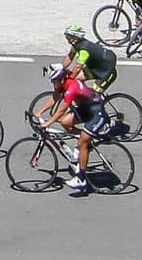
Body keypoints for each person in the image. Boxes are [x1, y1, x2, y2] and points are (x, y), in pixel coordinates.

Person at [34, 61, 108, 193]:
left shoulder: (72, 87)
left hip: (96, 112)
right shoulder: (63, 82)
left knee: (82, 142)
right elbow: (55, 97)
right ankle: (86, 142)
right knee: (65, 123)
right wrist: (40, 111)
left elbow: (60, 110)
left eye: (54, 81)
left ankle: (81, 179)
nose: (53, 84)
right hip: (86, 109)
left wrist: (47, 123)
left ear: (61, 78)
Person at [59, 25, 118, 93]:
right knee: (76, 80)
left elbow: (78, 67)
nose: (67, 38)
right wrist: (60, 68)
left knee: (94, 96)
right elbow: (69, 57)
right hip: (94, 68)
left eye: (68, 36)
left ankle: (93, 101)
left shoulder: (84, 50)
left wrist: (69, 78)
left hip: (106, 73)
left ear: (75, 37)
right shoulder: (76, 45)